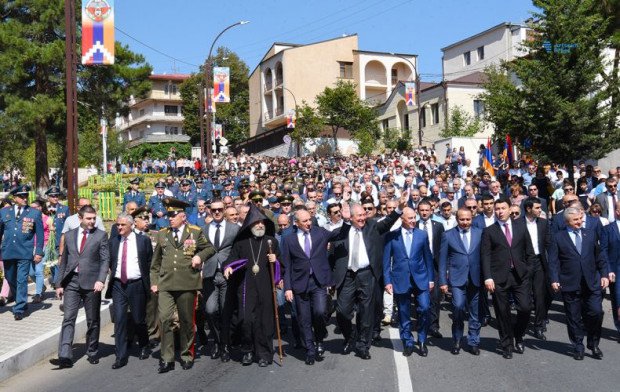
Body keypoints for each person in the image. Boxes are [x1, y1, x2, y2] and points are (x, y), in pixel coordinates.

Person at [330, 192, 406, 360]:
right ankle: (350, 337)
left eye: (364, 214)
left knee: (366, 312)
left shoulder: (372, 226)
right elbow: (331, 253)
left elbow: (387, 222)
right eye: (359, 215)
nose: (363, 218)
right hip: (347, 275)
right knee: (342, 311)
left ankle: (363, 345)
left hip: (367, 274)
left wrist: (399, 208)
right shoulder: (342, 231)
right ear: (350, 217)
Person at [150, 198, 215, 373]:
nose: (170, 218)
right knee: (165, 319)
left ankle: (187, 354)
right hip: (166, 284)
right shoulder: (163, 233)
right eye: (169, 215)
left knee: (186, 321)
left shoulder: (195, 232)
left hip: (187, 283)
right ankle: (167, 358)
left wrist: (199, 257)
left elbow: (209, 248)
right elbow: (155, 262)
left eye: (173, 215)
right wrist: (155, 282)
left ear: (183, 216)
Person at [51, 205, 109, 368]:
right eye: (88, 218)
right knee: (68, 317)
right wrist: (59, 283)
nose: (92, 221)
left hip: (92, 283)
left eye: (94, 218)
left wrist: (101, 280)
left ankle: (92, 351)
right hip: (72, 282)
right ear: (80, 218)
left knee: (93, 319)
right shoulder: (69, 235)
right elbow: (64, 261)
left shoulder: (101, 235)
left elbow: (105, 260)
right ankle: (65, 356)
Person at [223, 204, 281, 367]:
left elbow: (281, 265)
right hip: (246, 287)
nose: (260, 225)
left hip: (265, 286)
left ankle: (264, 354)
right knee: (245, 319)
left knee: (264, 321)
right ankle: (247, 350)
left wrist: (275, 261)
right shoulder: (241, 242)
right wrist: (227, 267)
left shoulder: (272, 242)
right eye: (256, 223)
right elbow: (231, 260)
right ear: (249, 225)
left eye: (262, 222)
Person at [548, 207, 609, 360]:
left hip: (591, 282)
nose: (579, 222)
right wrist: (554, 279)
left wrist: (604, 274)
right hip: (570, 282)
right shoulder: (558, 237)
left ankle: (593, 343)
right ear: (567, 221)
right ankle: (578, 345)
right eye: (575, 220)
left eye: (580, 219)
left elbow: (600, 256)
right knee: (573, 317)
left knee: (596, 312)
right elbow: (553, 261)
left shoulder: (590, 234)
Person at [281, 209, 340, 365]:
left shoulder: (319, 233)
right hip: (299, 284)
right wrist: (287, 288)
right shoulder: (289, 240)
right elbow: (286, 266)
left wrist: (347, 220)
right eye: (305, 221)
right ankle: (310, 350)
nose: (309, 223)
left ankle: (319, 339)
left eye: (310, 220)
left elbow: (337, 234)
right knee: (304, 319)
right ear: (296, 223)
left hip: (318, 282)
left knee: (320, 312)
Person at [481, 198, 535, 359]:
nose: (499, 211)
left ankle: (518, 335)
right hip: (499, 277)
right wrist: (488, 277)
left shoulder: (521, 226)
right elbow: (485, 256)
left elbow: (529, 251)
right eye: (497, 209)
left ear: (510, 209)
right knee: (502, 312)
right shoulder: (489, 231)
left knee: (525, 308)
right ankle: (507, 344)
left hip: (520, 275)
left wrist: (529, 270)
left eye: (502, 208)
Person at [384, 207, 434, 357]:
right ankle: (408, 342)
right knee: (404, 313)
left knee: (424, 308)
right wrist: (387, 281)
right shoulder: (392, 237)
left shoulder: (422, 235)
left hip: (421, 278)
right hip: (400, 279)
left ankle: (422, 339)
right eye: (410, 218)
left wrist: (431, 279)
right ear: (402, 219)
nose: (413, 221)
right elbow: (386, 261)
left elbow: (428, 258)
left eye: (414, 218)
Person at [105, 212, 153, 369]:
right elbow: (110, 262)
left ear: (131, 225)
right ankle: (121, 355)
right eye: (117, 224)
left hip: (137, 285)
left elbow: (149, 261)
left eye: (122, 225)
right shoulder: (113, 242)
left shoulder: (143, 241)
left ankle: (144, 344)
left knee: (139, 319)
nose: (119, 227)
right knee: (119, 320)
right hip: (119, 285)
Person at [438, 208, 483, 355]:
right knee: (457, 308)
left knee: (475, 312)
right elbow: (442, 261)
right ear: (457, 219)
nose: (465, 222)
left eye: (468, 219)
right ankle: (457, 339)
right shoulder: (448, 235)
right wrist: (443, 282)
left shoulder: (480, 233)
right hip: (457, 279)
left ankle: (473, 341)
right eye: (462, 219)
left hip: (475, 277)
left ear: (472, 218)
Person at [202, 199, 239, 362]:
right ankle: (217, 341)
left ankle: (225, 344)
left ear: (224, 210)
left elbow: (238, 250)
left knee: (225, 311)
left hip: (227, 275)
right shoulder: (203, 230)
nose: (216, 212)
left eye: (219, 209)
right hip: (210, 274)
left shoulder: (234, 229)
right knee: (210, 310)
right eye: (213, 210)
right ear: (209, 211)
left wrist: (233, 266)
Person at [0, 185, 44, 320]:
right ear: (14, 198)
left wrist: (38, 252)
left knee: (21, 280)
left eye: (26, 196)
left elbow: (40, 235)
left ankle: (19, 308)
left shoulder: (34, 213)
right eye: (21, 196)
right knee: (10, 277)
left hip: (25, 252)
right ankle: (20, 299)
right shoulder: (4, 212)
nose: (25, 198)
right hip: (8, 251)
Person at [521, 197, 552, 340]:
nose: (540, 210)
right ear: (528, 209)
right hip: (524, 263)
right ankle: (522, 323)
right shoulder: (517, 224)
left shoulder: (544, 223)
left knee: (540, 295)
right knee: (525, 298)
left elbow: (549, 243)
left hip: (539, 262)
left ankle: (539, 326)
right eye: (537, 208)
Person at [416, 199, 445, 338]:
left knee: (435, 296)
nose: (424, 212)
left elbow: (442, 247)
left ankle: (433, 326)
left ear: (431, 211)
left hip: (434, 264)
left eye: (427, 210)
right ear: (418, 211)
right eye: (422, 210)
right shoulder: (413, 225)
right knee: (419, 296)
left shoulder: (438, 226)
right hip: (418, 265)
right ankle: (421, 323)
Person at [601, 203, 620, 341]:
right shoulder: (608, 229)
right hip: (616, 271)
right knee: (618, 300)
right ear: (617, 211)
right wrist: (608, 270)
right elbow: (604, 251)